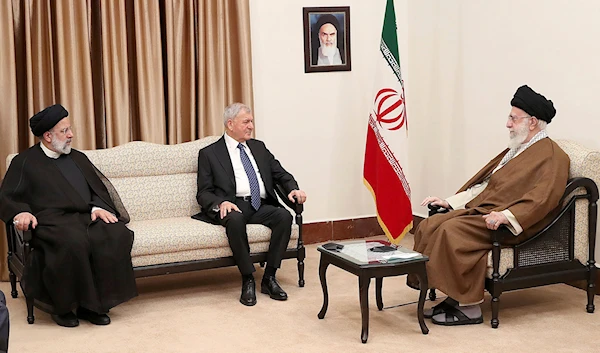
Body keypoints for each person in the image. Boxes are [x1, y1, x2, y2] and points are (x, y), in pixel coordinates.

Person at [410, 85, 569, 326]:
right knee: (430, 224)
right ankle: (455, 297)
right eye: (510, 117)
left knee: (450, 232)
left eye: (513, 118)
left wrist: (508, 216)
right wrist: (450, 203)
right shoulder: (517, 149)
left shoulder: (553, 156)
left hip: (515, 223)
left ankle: (470, 308)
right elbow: (486, 186)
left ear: (533, 122)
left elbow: (544, 197)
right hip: (486, 212)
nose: (508, 124)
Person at [0, 104, 138, 327]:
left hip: (85, 217)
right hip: (49, 222)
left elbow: (97, 191)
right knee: (72, 242)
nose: (71, 135)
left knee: (115, 234)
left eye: (69, 129)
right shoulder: (23, 162)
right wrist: (22, 212)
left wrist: (97, 208)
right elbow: (8, 197)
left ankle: (93, 306)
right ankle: (62, 307)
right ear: (47, 136)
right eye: (64, 131)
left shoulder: (78, 158)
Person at [193, 103, 307, 306]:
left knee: (284, 217)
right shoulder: (209, 153)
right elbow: (203, 192)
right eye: (246, 122)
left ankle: (269, 277)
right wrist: (221, 203)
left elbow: (280, 173)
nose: (251, 126)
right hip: (233, 205)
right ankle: (247, 278)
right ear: (230, 124)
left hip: (259, 204)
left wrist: (293, 189)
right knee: (235, 220)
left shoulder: (259, 147)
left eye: (251, 121)